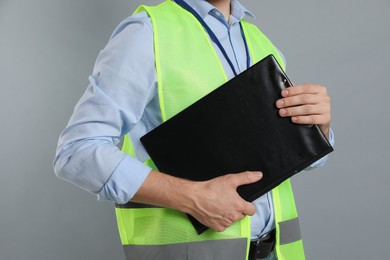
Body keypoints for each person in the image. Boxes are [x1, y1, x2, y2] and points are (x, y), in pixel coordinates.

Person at [54, 0, 334, 259]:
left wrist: (317, 129)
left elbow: (299, 156)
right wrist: (193, 197)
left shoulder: (260, 41)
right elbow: (76, 152)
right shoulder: (147, 33)